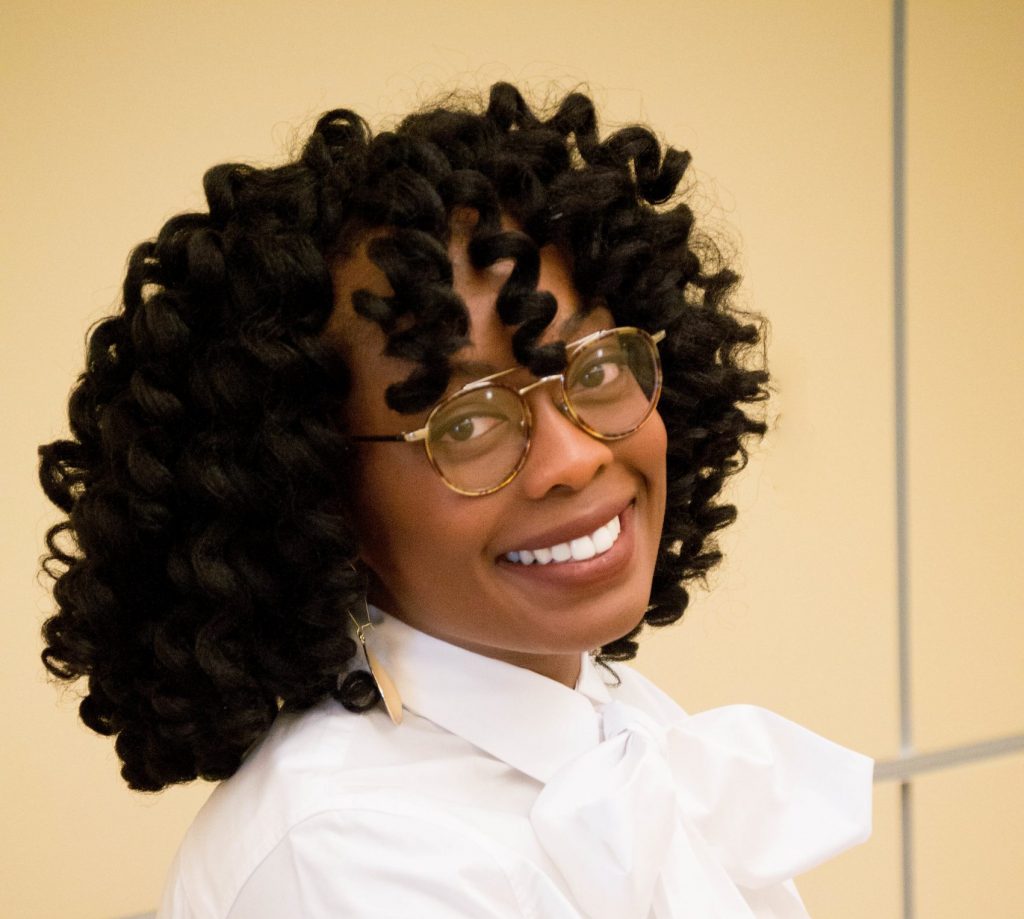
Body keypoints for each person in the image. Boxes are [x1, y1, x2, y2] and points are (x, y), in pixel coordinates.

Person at [38, 82, 872, 918]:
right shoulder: (349, 857)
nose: (574, 456)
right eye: (467, 419)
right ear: (318, 491)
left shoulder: (599, 713)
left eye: (595, 368)